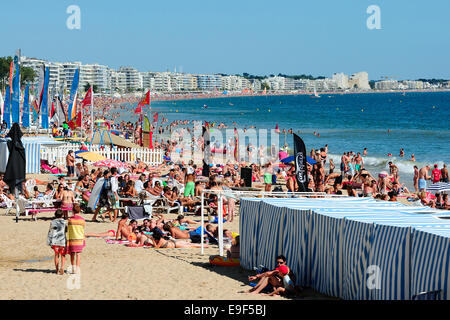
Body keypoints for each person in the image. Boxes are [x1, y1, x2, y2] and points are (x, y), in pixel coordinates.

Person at [47, 209, 67, 275]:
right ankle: (62, 267)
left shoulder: (52, 222)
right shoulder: (64, 222)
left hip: (55, 241)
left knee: (56, 255)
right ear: (62, 215)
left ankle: (57, 269)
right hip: (62, 240)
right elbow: (66, 230)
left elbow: (50, 232)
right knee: (63, 255)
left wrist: (49, 242)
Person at [67, 204, 85, 274]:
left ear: (73, 211)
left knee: (72, 254)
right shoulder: (82, 220)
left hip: (72, 238)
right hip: (80, 238)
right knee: (78, 254)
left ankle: (73, 267)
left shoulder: (70, 220)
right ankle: (77, 269)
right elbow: (83, 228)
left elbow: (68, 229)